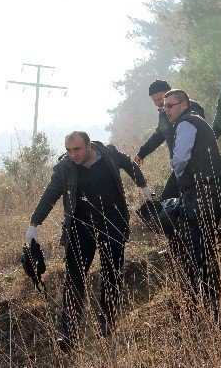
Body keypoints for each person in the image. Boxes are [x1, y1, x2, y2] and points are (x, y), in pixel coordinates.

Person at [25, 131, 152, 350]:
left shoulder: (109, 154)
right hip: (80, 228)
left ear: (89, 145)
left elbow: (129, 164)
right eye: (68, 150)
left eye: (77, 149)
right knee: (74, 278)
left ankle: (107, 323)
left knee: (111, 273)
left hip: (113, 222)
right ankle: (69, 333)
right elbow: (51, 194)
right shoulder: (65, 168)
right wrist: (34, 224)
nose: (73, 154)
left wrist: (144, 186)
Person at [164, 89, 221, 306]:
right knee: (204, 243)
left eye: (170, 105)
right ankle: (208, 293)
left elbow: (181, 157)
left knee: (197, 245)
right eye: (164, 106)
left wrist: (178, 171)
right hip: (212, 189)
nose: (166, 110)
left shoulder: (186, 122)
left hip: (202, 191)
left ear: (184, 104)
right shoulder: (196, 120)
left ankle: (197, 296)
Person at [133, 80, 205, 200]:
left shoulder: (190, 107)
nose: (158, 103)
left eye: (160, 98)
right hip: (180, 167)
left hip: (197, 164)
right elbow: (159, 135)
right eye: (154, 101)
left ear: (169, 93)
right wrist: (142, 153)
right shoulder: (163, 115)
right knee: (170, 201)